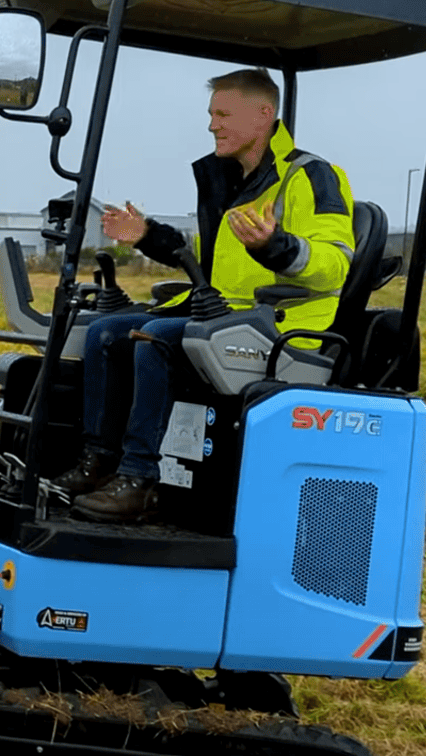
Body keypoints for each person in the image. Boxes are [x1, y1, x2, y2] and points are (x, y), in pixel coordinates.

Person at [52, 67, 356, 524]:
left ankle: (139, 478)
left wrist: (277, 246)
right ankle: (99, 461)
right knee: (107, 333)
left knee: (155, 337)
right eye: (212, 113)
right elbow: (204, 262)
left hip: (284, 328)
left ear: (263, 115)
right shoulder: (234, 181)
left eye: (223, 113)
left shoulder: (310, 176)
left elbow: (335, 262)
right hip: (231, 319)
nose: (212, 124)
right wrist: (148, 235)